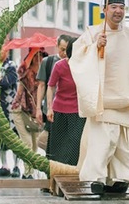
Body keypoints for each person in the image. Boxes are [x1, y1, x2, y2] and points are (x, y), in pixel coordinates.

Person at [69, 0, 129, 194]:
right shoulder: (92, 32)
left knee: (120, 143)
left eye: (122, 7)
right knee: (103, 140)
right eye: (114, 6)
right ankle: (96, 178)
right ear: (104, 9)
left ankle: (120, 178)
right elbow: (76, 58)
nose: (118, 11)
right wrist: (95, 47)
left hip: (125, 96)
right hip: (103, 99)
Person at [46, 37, 85, 166]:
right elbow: (50, 86)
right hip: (59, 111)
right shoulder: (59, 65)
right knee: (57, 146)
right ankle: (53, 175)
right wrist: (49, 108)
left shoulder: (84, 67)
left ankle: (72, 176)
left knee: (75, 144)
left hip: (78, 112)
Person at [11, 48, 48, 179]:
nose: (40, 58)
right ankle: (28, 173)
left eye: (42, 55)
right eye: (37, 55)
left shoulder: (44, 73)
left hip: (35, 113)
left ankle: (29, 171)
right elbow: (19, 92)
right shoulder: (25, 72)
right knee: (27, 142)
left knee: (35, 144)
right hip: (20, 110)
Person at [35, 34, 72, 152]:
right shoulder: (48, 62)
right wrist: (38, 109)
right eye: (62, 49)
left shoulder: (74, 63)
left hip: (69, 110)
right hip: (51, 111)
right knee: (47, 141)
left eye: (67, 49)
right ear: (57, 46)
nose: (65, 53)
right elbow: (41, 86)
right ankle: (52, 166)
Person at [0, 46, 21, 178]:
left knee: (14, 137)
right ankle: (4, 166)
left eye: (1, 50)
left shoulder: (11, 65)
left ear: (7, 51)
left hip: (9, 107)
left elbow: (7, 82)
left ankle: (16, 166)